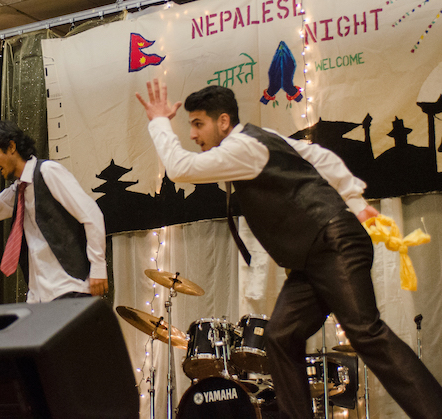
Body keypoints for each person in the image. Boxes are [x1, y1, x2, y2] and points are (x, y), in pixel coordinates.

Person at [135, 80, 442, 418]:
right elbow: (319, 155)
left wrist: (159, 122)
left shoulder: (242, 148)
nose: (193, 135)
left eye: (197, 124)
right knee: (280, 338)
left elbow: (179, 169)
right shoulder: (264, 139)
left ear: (223, 121)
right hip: (312, 258)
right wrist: (355, 199)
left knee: (367, 334)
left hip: (332, 244)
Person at [0, 120, 108, 302]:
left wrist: (98, 267)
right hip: (39, 295)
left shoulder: (48, 171)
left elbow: (92, 214)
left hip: (69, 286)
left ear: (11, 146)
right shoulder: (18, 189)